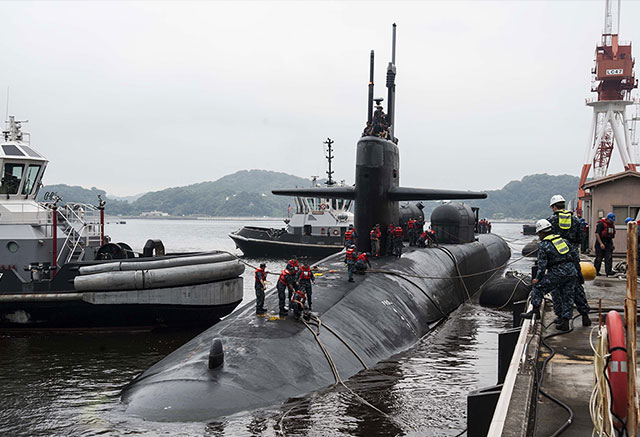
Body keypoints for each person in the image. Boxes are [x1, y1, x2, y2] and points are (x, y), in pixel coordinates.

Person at [521, 219, 583, 331]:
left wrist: (537, 279)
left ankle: (535, 311)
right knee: (567, 296)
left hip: (558, 272)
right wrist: (579, 274)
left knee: (538, 287)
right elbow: (575, 257)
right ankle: (565, 322)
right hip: (571, 272)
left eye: (539, 233)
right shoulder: (563, 240)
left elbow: (542, 265)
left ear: (542, 233)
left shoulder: (544, 245)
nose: (539, 236)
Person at [546, 195, 590, 324]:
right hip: (572, 256)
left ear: (554, 207)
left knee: (557, 287)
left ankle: (561, 317)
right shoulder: (576, 221)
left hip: (556, 258)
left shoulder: (551, 220)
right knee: (576, 286)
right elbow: (581, 239)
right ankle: (585, 315)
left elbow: (546, 241)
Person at [594, 212, 616, 276]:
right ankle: (596, 271)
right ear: (608, 219)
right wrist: (601, 243)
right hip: (600, 242)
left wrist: (612, 244)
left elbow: (610, 236)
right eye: (611, 220)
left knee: (609, 257)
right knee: (599, 258)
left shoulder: (611, 226)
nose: (612, 222)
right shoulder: (601, 224)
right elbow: (597, 234)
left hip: (608, 242)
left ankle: (609, 271)